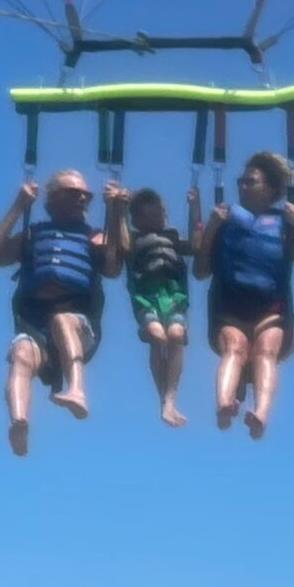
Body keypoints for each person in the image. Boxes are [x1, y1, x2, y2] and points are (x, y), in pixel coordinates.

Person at [0, 168, 119, 456]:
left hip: (78, 324)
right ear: (53, 198)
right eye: (74, 192)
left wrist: (116, 212)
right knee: (20, 354)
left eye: (86, 195)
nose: (82, 198)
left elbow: (113, 268)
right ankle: (19, 421)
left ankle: (77, 389)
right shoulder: (34, 234)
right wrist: (18, 207)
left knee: (62, 320)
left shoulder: (94, 236)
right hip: (35, 323)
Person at [192, 148, 294, 440]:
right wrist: (212, 226)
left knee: (266, 350)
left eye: (250, 181)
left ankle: (260, 413)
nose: (242, 185)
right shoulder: (225, 219)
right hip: (229, 309)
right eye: (241, 180)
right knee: (234, 348)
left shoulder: (285, 224)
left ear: (272, 189)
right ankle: (224, 404)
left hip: (271, 310)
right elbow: (200, 270)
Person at [108, 183, 194, 428]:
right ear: (136, 220)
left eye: (157, 215)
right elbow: (122, 246)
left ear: (164, 213)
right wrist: (118, 208)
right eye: (146, 217)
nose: (154, 221)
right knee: (158, 337)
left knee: (175, 335)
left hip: (175, 296)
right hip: (146, 297)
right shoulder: (133, 240)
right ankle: (164, 402)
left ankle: (170, 400)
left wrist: (194, 208)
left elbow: (197, 246)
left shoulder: (174, 238)